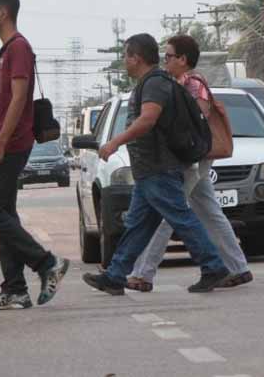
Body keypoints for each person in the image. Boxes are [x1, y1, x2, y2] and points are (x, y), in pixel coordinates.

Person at [82, 33, 229, 295]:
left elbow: (148, 119)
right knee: (139, 225)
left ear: (136, 58)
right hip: (149, 169)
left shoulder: (154, 84)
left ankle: (213, 266)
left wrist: (115, 142)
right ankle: (115, 275)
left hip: (158, 167)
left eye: (126, 56)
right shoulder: (150, 83)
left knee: (181, 219)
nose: (124, 62)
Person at [126, 35, 252, 292]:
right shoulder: (177, 83)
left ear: (183, 60)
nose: (165, 61)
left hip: (192, 159)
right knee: (209, 212)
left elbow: (195, 121)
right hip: (193, 159)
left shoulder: (193, 84)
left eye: (169, 56)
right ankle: (238, 267)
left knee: (167, 212)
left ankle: (142, 274)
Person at [0, 0, 69, 311]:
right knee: (4, 215)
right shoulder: (8, 51)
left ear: (3, 13)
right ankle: (14, 290)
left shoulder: (19, 48)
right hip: (3, 141)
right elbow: (7, 98)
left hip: (10, 144)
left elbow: (21, 98)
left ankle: (46, 263)